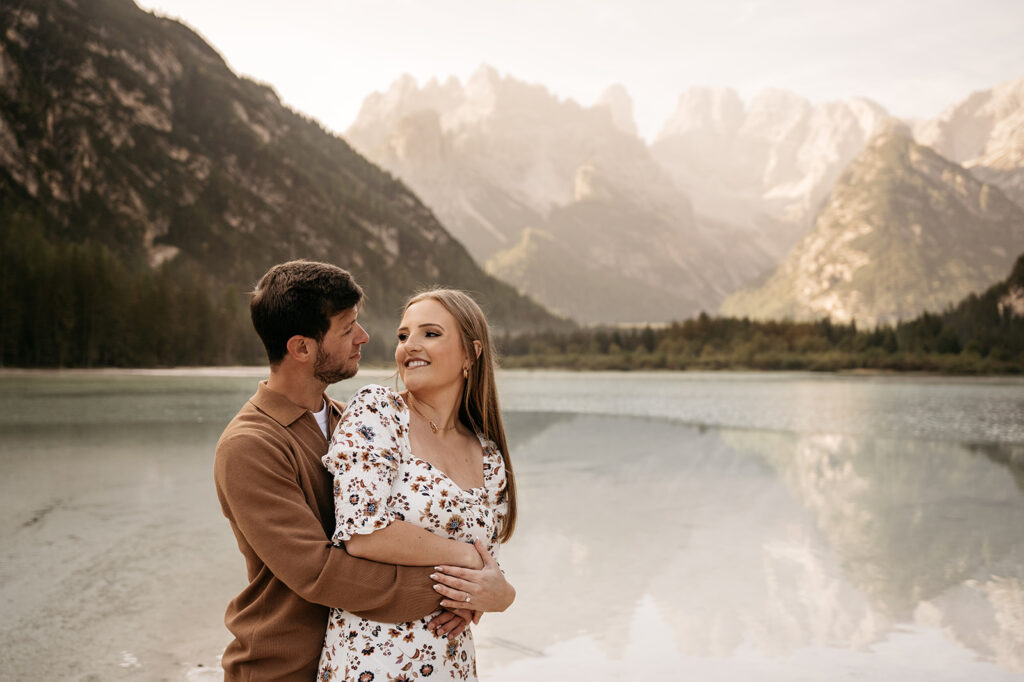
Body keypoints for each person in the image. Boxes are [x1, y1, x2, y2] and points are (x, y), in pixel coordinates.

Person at [214, 260, 444, 680]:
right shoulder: (249, 446)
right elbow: (319, 572)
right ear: (301, 348)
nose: (364, 337)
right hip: (282, 669)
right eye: (347, 329)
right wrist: (449, 592)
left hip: (358, 660)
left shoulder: (353, 421)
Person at [318, 289, 517, 681]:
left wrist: (503, 596)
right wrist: (464, 558)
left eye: (430, 333)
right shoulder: (378, 411)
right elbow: (363, 533)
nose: (410, 346)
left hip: (452, 665)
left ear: (470, 354)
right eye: (403, 335)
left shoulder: (488, 454)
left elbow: (487, 572)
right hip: (372, 663)